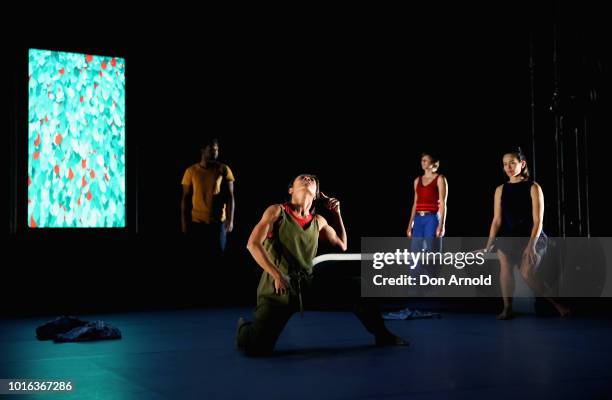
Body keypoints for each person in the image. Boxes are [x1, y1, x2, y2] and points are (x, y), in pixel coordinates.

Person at [236, 174, 408, 356]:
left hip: (306, 286)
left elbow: (342, 245)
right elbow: (252, 244)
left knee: (360, 286)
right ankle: (243, 328)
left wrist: (336, 214)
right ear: (290, 190)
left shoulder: (318, 221)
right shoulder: (277, 211)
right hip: (278, 289)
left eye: (311, 179)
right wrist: (277, 275)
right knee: (257, 348)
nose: (307, 179)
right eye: (301, 178)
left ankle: (382, 335)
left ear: (317, 193)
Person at [485, 147, 570, 320]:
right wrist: (488, 245)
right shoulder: (500, 189)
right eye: (505, 164)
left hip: (532, 236)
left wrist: (531, 246)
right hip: (508, 237)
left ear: (522, 164)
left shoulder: (533, 187)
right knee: (505, 267)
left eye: (512, 163)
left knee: (526, 273)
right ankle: (507, 308)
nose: (508, 167)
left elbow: (538, 221)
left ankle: (558, 305)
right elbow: (497, 220)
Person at [181, 138, 235, 255]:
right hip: (197, 223)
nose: (215, 152)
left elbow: (230, 197)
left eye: (217, 149)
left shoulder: (224, 169)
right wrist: (184, 222)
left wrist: (230, 220)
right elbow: (185, 198)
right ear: (202, 151)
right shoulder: (191, 171)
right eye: (211, 149)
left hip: (218, 223)